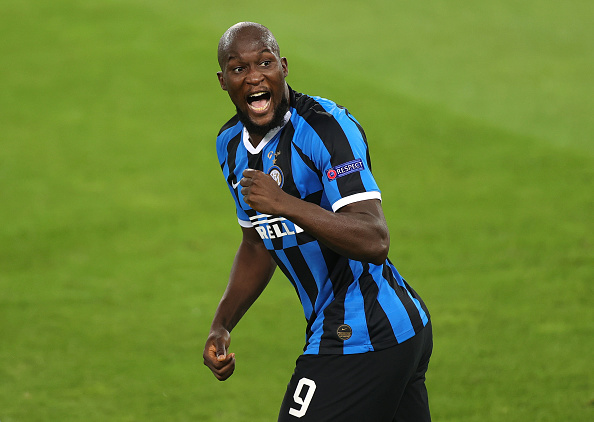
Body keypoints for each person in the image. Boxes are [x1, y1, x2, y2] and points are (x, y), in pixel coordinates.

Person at [203, 21, 433, 422]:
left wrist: (285, 204)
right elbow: (257, 245)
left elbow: (374, 239)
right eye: (239, 68)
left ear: (283, 67)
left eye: (265, 62)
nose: (254, 76)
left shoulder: (327, 128)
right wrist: (221, 325)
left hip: (362, 333)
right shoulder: (230, 144)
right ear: (223, 81)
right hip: (385, 333)